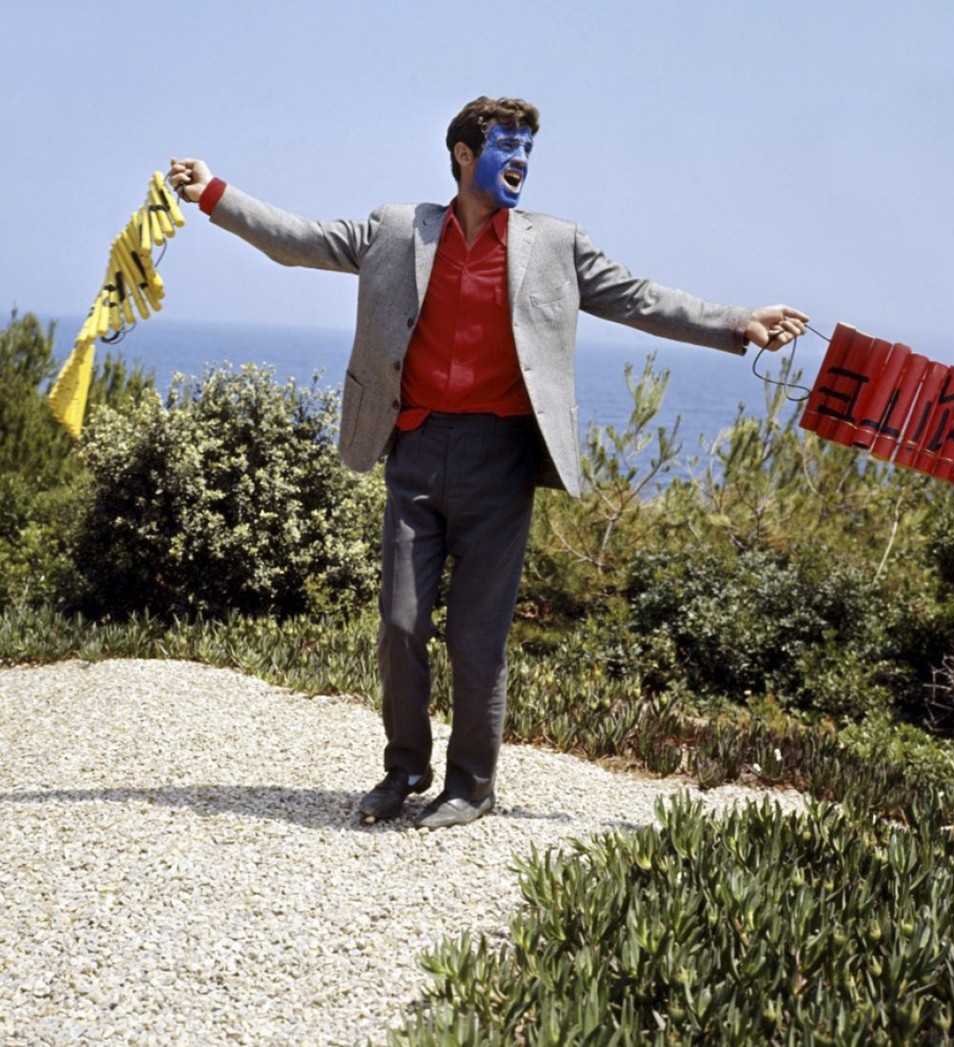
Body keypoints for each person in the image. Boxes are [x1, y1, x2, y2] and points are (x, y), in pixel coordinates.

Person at [169, 95, 808, 830]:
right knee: (401, 622)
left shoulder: (555, 243)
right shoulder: (396, 229)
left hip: (500, 460)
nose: (522, 163)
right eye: (509, 147)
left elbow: (640, 299)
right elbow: (299, 241)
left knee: (477, 634)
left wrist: (738, 322)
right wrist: (214, 192)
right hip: (413, 447)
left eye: (529, 151)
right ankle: (403, 770)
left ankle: (472, 786)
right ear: (465, 154)